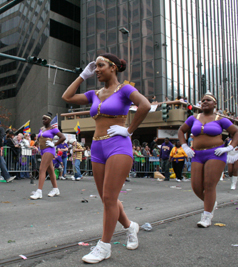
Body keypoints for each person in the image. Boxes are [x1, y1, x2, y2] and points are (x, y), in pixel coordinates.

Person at [62, 53, 151, 263]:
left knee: (110, 199)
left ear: (113, 67)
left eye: (100, 66)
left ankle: (104, 246)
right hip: (97, 148)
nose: (97, 70)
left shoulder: (125, 90)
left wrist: (129, 131)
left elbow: (145, 105)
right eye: (95, 67)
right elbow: (67, 97)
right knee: (106, 198)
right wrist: (82, 75)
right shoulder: (94, 93)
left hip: (118, 146)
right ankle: (130, 227)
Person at [178, 93, 238, 228]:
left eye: (208, 100)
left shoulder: (220, 119)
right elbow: (181, 131)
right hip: (197, 154)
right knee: (196, 186)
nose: (205, 102)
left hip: (215, 153)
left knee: (209, 185)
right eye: (202, 100)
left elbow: (237, 132)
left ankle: (206, 216)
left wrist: (229, 147)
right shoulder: (193, 118)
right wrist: (185, 146)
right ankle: (211, 203)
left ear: (214, 104)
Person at [30, 112, 66, 199]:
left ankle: (39, 192)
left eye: (45, 119)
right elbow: (39, 139)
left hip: (49, 150)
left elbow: (63, 137)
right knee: (50, 170)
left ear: (49, 120)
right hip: (42, 150)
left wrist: (54, 144)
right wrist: (36, 145)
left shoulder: (53, 129)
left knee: (42, 169)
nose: (43, 121)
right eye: (43, 119)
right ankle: (55, 189)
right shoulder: (41, 129)